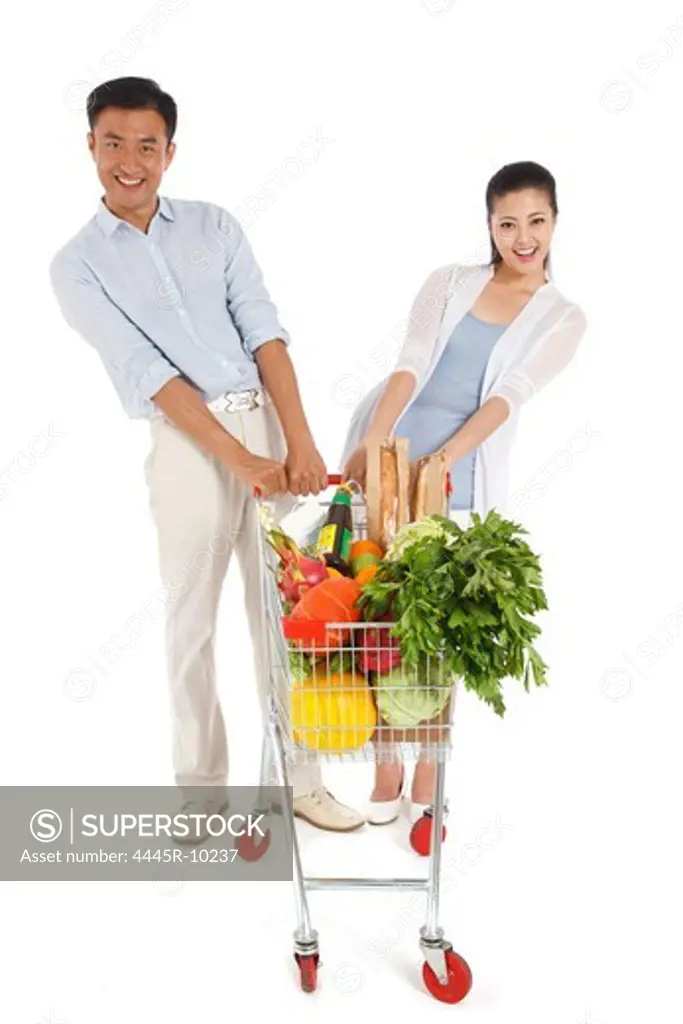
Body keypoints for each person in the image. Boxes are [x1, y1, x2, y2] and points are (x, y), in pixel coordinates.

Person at [49, 76, 364, 835]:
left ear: (170, 151)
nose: (130, 160)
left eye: (146, 145)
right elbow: (150, 375)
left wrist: (298, 441)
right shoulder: (76, 265)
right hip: (188, 445)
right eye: (114, 142)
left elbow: (265, 334)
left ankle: (301, 778)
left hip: (266, 425)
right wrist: (238, 461)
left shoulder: (214, 226)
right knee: (190, 618)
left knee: (286, 613)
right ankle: (200, 793)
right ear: (90, 145)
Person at [340, 161, 587, 825]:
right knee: (373, 606)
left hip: (459, 478)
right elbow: (411, 361)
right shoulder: (448, 282)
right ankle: (385, 756)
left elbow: (509, 396)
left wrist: (440, 461)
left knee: (438, 628)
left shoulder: (562, 318)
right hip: (387, 454)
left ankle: (429, 766)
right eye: (507, 222)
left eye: (535, 220)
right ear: (489, 224)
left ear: (555, 221)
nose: (522, 236)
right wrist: (377, 445)